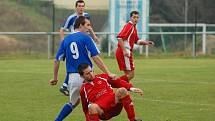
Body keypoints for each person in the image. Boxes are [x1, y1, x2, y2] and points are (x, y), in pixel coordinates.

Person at [49, 16, 114, 121]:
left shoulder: (65, 40)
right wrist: (108, 72)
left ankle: (57, 120)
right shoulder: (86, 38)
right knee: (96, 103)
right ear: (80, 25)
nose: (89, 28)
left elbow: (56, 60)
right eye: (87, 25)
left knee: (74, 103)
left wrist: (55, 78)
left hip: (73, 79)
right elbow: (95, 57)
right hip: (87, 76)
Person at [59, 0, 99, 96]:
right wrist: (63, 41)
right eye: (79, 6)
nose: (81, 8)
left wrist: (94, 36)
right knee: (78, 63)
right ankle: (68, 85)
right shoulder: (71, 18)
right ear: (76, 7)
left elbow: (89, 27)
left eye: (82, 6)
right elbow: (62, 29)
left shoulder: (86, 16)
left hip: (83, 41)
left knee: (81, 63)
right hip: (73, 42)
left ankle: (65, 85)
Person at [78, 63, 143, 121]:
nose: (91, 74)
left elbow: (117, 81)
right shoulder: (83, 90)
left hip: (115, 105)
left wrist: (131, 88)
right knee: (92, 107)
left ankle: (133, 119)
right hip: (103, 112)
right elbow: (86, 109)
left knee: (122, 90)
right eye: (87, 73)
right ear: (81, 76)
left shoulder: (102, 77)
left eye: (91, 71)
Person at [116, 11, 154, 82]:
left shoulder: (133, 27)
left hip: (124, 51)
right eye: (134, 17)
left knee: (128, 75)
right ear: (130, 18)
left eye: (137, 17)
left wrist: (146, 43)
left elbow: (137, 41)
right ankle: (114, 84)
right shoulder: (129, 26)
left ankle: (122, 89)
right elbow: (119, 38)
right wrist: (124, 50)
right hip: (124, 51)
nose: (136, 19)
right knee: (131, 74)